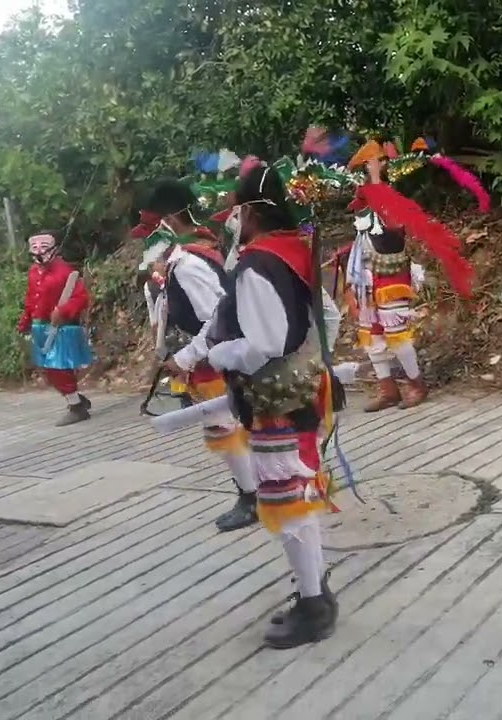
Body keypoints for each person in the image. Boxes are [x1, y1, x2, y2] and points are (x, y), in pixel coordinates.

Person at [203, 161, 338, 648]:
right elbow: (328, 315)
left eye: (234, 210)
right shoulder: (295, 247)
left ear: (250, 212)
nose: (231, 220)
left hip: (275, 398)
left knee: (288, 500)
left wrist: (220, 354)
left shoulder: (257, 262)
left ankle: (314, 604)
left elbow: (266, 342)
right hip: (303, 391)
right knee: (296, 493)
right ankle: (314, 589)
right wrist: (315, 359)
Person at [137, 179, 261, 533]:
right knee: (232, 427)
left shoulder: (189, 263)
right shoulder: (197, 251)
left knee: (224, 430)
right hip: (214, 355)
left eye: (152, 230)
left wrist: (186, 357)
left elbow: (216, 317)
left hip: (213, 359)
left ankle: (252, 497)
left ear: (170, 222)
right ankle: (257, 490)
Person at [340, 137, 475, 412]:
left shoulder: (390, 200)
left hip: (391, 276)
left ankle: (417, 385)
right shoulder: (364, 203)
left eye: (367, 170)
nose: (362, 182)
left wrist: (375, 178)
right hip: (368, 277)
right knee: (373, 336)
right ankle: (388, 389)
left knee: (396, 334)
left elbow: (389, 225)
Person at [17, 232, 94, 426]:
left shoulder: (65, 272)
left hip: (62, 327)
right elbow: (30, 299)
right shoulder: (33, 272)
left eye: (44, 248)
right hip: (40, 326)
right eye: (35, 248)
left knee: (58, 368)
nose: (39, 252)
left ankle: (76, 407)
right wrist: (25, 322)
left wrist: (63, 310)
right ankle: (75, 399)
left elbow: (81, 298)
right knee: (48, 369)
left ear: (54, 249)